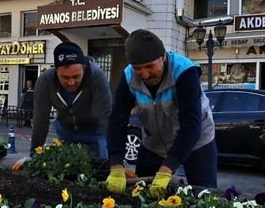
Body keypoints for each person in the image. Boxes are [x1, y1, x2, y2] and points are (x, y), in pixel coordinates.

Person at [105, 29, 218, 197]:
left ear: (163, 57)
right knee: (142, 194)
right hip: (154, 144)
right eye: (138, 68)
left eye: (150, 66)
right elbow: (117, 120)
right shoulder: (128, 76)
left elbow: (191, 125)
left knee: (204, 196)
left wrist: (167, 169)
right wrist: (116, 164)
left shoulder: (184, 71)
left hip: (197, 142)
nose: (144, 74)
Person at [30, 41, 112, 159]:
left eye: (76, 76)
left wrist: (116, 158)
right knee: (66, 168)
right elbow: (40, 119)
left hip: (94, 131)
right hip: (65, 131)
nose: (71, 82)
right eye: (65, 77)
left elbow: (106, 116)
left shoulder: (97, 76)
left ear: (83, 68)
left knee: (99, 166)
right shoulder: (45, 81)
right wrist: (34, 154)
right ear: (56, 70)